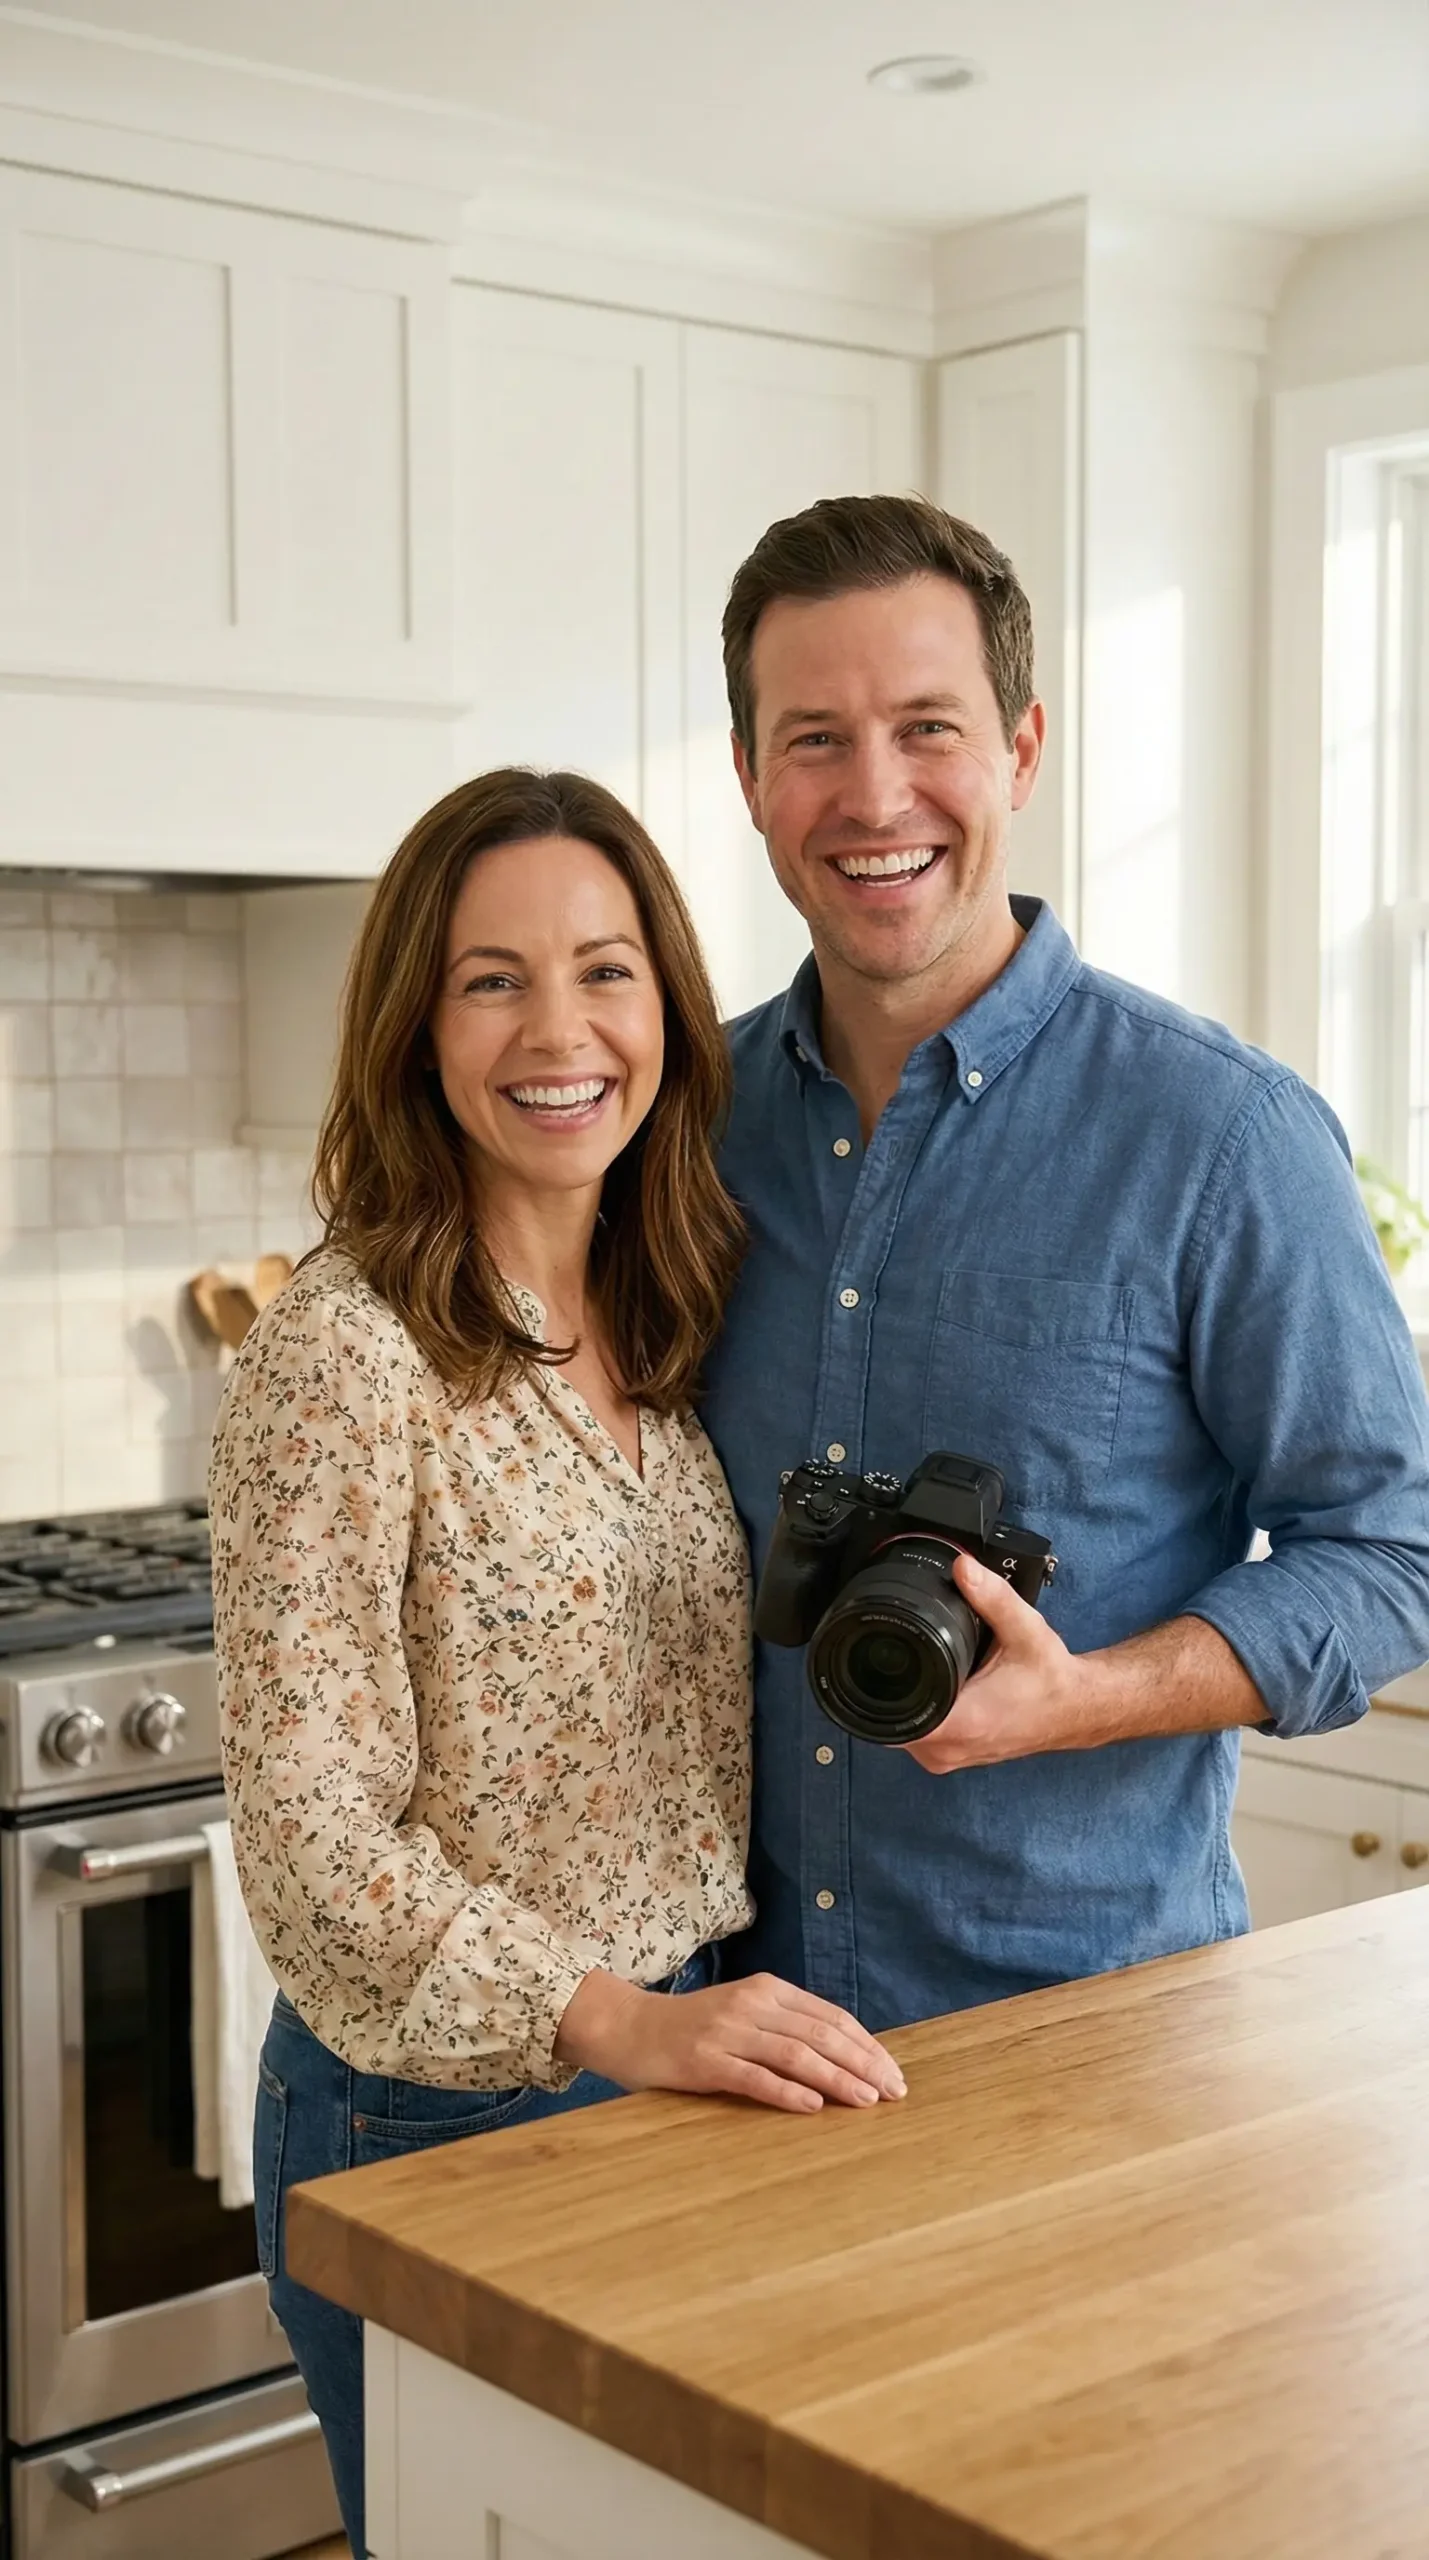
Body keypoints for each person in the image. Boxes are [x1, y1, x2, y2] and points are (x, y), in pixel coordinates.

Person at [208, 767, 904, 2557]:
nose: (559, 1028)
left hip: (671, 2074)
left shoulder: (665, 1320)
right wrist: (627, 2024)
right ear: (416, 1029)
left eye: (604, 969)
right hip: (424, 2120)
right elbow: (316, 1851)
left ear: (666, 1001)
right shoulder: (344, 1359)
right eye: (490, 978)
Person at [700, 492, 1429, 2031]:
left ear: (1022, 749)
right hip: (726, 2036)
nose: (874, 793)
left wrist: (1088, 1697)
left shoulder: (1221, 1137)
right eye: (814, 738)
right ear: (752, 777)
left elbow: (1395, 1550)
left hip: (1087, 2040)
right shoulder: (681, 1123)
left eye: (928, 728)